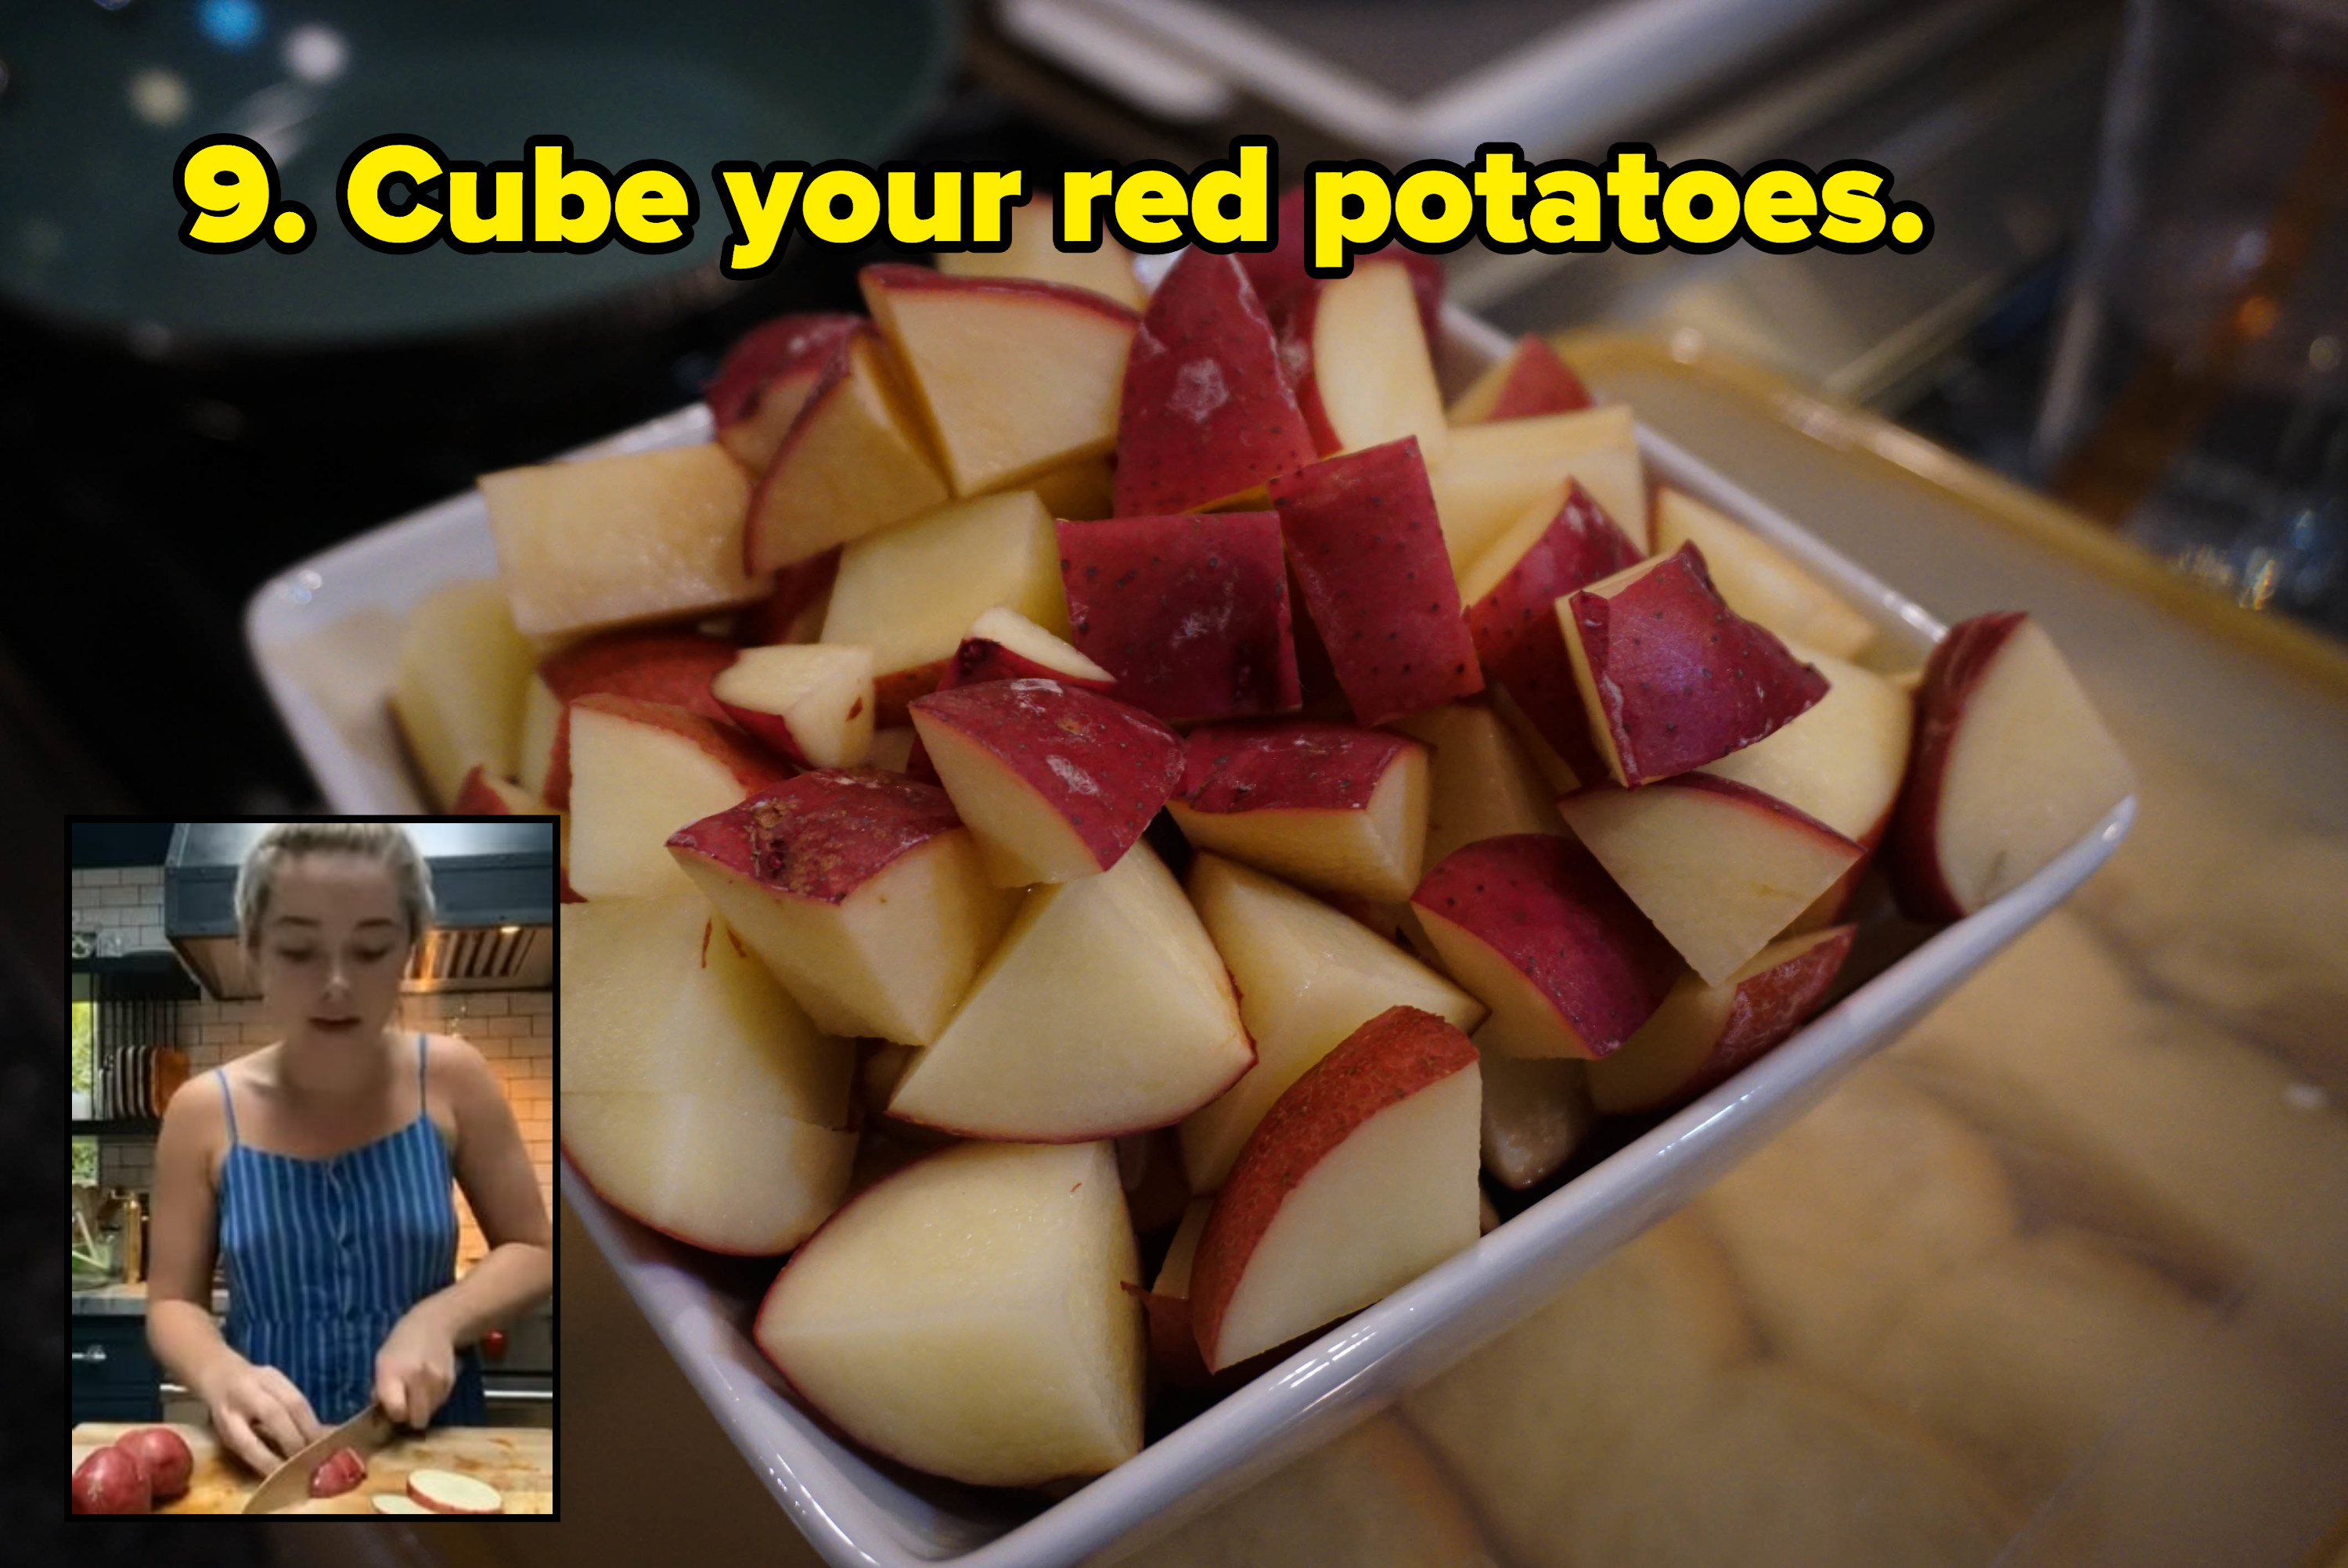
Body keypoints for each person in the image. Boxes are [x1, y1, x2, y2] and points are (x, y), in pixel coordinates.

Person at [148, 822, 553, 1474]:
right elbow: (172, 1304)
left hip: (436, 1451)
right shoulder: (201, 1111)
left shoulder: (453, 1077)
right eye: (301, 951)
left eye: (369, 951)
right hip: (270, 1456)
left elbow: (536, 1250)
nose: (336, 983)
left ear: (409, 954)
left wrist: (440, 1321)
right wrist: (220, 1373)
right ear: (255, 953)